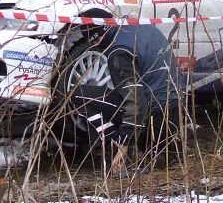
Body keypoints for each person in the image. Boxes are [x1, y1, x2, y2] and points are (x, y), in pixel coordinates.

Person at [70, 24, 184, 177]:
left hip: (153, 122)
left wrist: (124, 145)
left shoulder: (118, 52)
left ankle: (114, 156)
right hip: (175, 114)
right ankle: (169, 151)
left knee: (79, 95)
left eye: (95, 42)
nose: (97, 47)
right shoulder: (146, 28)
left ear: (97, 38)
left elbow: (136, 103)